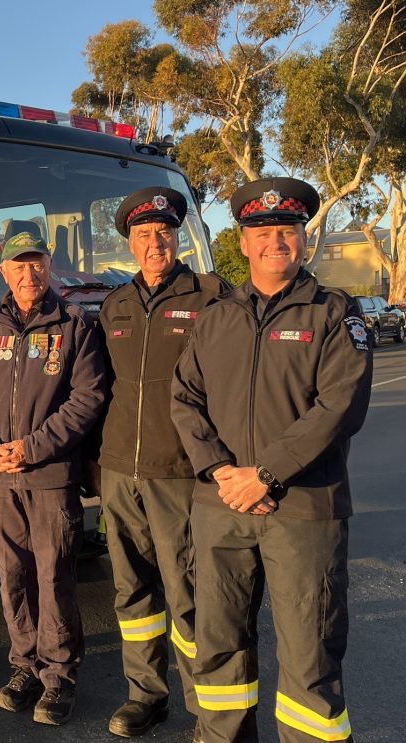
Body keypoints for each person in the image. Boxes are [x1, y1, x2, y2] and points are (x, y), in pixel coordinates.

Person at [171, 177, 372, 742]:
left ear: (304, 239)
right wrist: (221, 472)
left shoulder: (334, 313)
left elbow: (341, 406)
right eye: (261, 232)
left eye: (287, 230)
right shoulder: (216, 316)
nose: (274, 242)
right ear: (242, 242)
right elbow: (184, 399)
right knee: (218, 649)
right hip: (221, 506)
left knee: (310, 656)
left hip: (303, 509)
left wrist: (265, 475)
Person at [0, 231, 106, 725]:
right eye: (18, 265)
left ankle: (59, 677)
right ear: (3, 270)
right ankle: (24, 666)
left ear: (49, 263)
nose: (29, 273)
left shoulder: (74, 325)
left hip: (49, 475)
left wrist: (32, 448)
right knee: (13, 577)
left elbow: (87, 398)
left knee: (54, 576)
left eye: (36, 262)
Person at [97, 188, 228, 741]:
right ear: (130, 243)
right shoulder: (115, 305)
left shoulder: (211, 297)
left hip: (179, 472)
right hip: (118, 472)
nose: (155, 243)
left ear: (178, 238)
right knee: (132, 592)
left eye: (164, 233)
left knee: (188, 593)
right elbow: (101, 388)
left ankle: (208, 710)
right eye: (144, 235)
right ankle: (145, 695)